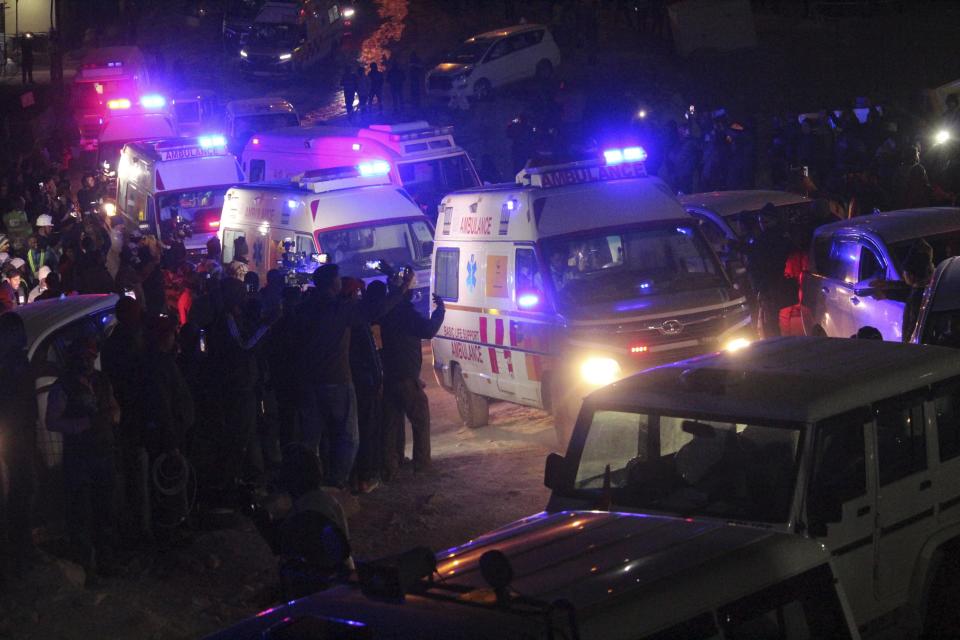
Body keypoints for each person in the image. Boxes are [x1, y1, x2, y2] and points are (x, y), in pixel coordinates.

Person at [295, 263, 412, 488]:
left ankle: (308, 485)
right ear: (333, 283)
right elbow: (376, 310)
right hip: (336, 380)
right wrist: (402, 288)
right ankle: (336, 484)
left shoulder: (304, 308)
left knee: (312, 438)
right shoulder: (338, 309)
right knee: (348, 437)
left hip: (308, 382)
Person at [46, 338, 121, 577]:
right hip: (79, 457)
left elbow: (114, 407)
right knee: (81, 514)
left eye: (90, 356)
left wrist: (112, 417)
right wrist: (83, 424)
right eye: (83, 356)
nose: (87, 361)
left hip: (103, 453)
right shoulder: (63, 386)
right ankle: (86, 567)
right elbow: (52, 421)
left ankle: (106, 562)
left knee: (105, 510)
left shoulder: (101, 380)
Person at [379, 277, 445, 477]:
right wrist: (440, 310)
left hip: (389, 376)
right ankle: (422, 465)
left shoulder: (385, 313)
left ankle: (391, 466)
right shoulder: (406, 314)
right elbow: (428, 329)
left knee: (391, 425)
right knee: (420, 421)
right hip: (407, 378)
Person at [100, 297, 150, 542]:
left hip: (123, 411)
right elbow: (137, 379)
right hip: (132, 412)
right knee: (136, 469)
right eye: (136, 311)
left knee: (131, 469)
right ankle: (140, 527)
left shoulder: (112, 342)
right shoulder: (130, 343)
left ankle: (134, 522)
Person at [0, 312, 38, 584]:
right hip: (18, 434)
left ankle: (20, 545)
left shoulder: (11, 362)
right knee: (23, 489)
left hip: (16, 433)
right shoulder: (14, 364)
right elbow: (21, 402)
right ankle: (21, 548)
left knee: (20, 489)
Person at [343, 278, 383, 493]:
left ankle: (350, 478)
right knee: (365, 431)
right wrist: (378, 380)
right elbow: (371, 356)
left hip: (349, 381)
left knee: (347, 432)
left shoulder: (341, 317)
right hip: (363, 383)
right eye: (359, 292)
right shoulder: (359, 322)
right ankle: (364, 479)